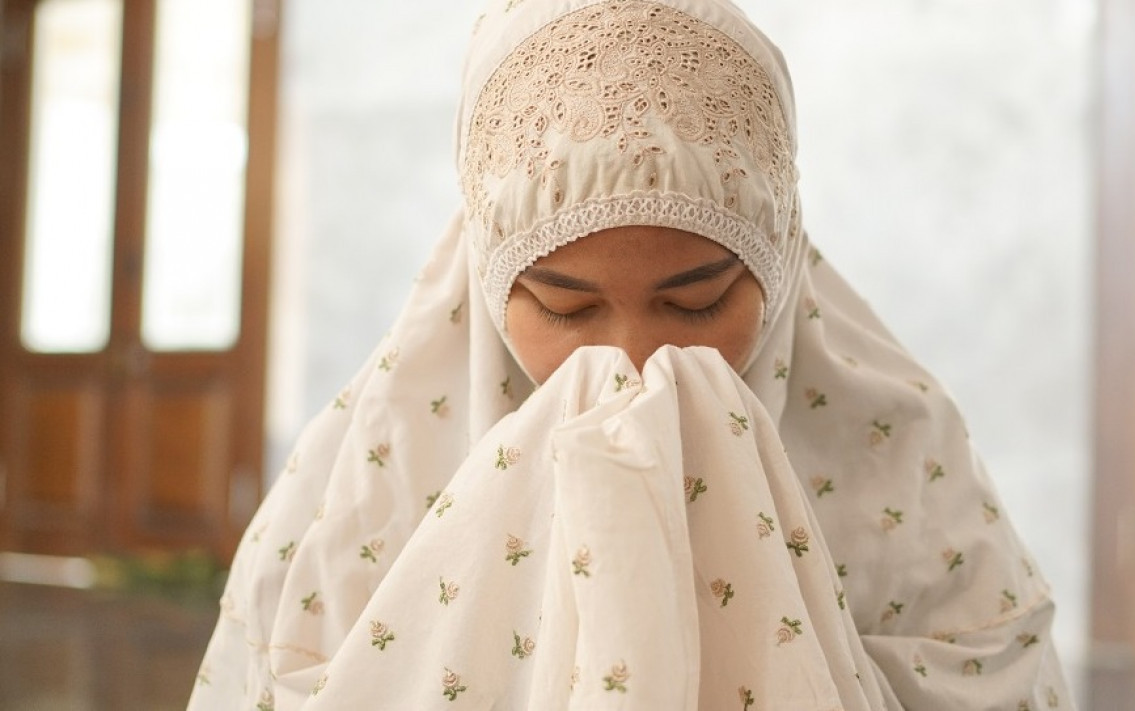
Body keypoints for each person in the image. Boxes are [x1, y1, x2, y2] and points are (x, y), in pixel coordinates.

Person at [189, 0, 1074, 708]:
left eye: (695, 301)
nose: (635, 357)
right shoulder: (364, 491)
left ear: (776, 262)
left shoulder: (900, 456)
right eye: (566, 308)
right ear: (488, 280)